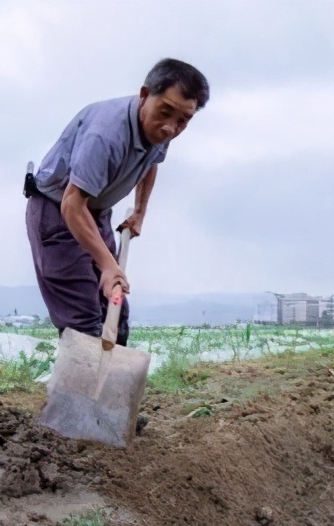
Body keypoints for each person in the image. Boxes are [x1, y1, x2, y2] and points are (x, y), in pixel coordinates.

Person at [24, 58, 209, 347]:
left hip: (94, 215)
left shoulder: (162, 129)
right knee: (83, 325)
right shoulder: (106, 135)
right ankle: (79, 392)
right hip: (58, 214)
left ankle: (112, 389)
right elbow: (72, 204)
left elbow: (152, 161)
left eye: (183, 120)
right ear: (145, 95)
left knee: (114, 309)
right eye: (166, 112)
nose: (171, 128)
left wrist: (139, 212)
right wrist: (108, 265)